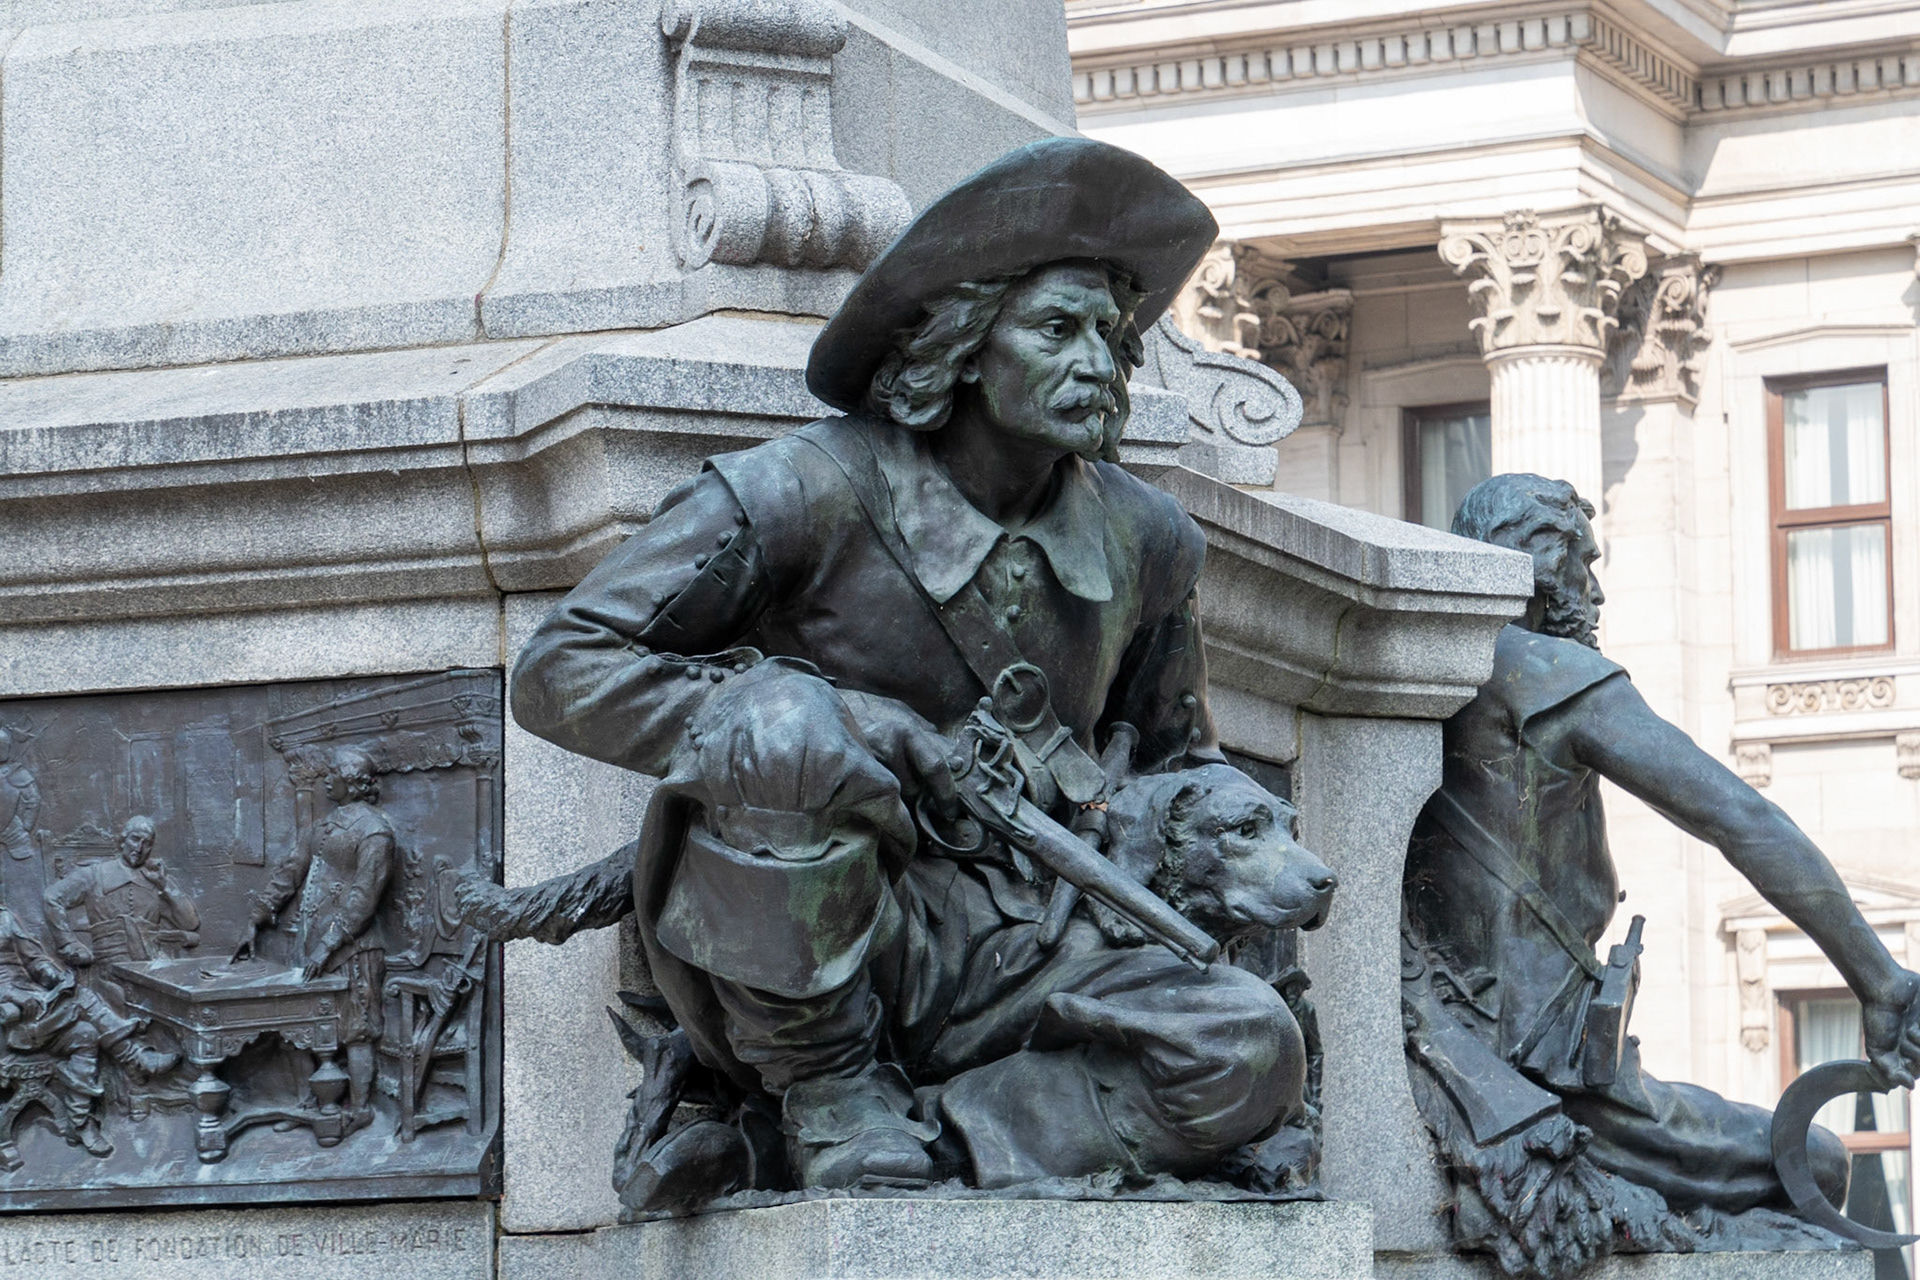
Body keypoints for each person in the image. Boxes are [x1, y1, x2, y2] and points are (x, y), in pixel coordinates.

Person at [511, 137, 1303, 1196]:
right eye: (1058, 328)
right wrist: (830, 718)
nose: (1100, 364)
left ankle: (914, 1136)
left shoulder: (1149, 538)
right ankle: (832, 1098)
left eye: (1115, 338)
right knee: (786, 725)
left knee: (1253, 1050)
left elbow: (1177, 756)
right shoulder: (801, 490)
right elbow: (562, 665)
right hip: (828, 928)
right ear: (967, 341)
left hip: (1044, 933)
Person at [1404, 472, 1920, 1259]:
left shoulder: (1439, 672)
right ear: (1541, 565)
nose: (1597, 592)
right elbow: (1738, 817)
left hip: (1472, 1054)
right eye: (1585, 564)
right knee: (1812, 1158)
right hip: (1541, 1085)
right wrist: (1881, 982)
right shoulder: (1545, 674)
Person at [242, 746, 393, 1127]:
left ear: (353, 782)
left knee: (356, 1031)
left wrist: (329, 945)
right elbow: (290, 871)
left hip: (352, 949)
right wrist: (258, 917)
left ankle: (359, 1110)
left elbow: (364, 896)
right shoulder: (322, 827)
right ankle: (312, 1101)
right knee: (304, 1026)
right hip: (311, 945)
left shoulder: (375, 831)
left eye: (334, 774)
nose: (327, 779)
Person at [0, 901, 175, 1156]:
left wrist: (53, 976)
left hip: (40, 1013)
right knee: (82, 999)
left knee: (86, 1034)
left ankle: (80, 1124)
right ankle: (135, 1057)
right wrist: (10, 996)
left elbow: (34, 958)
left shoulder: (4, 916)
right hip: (10, 1027)